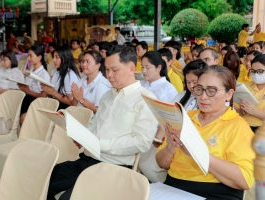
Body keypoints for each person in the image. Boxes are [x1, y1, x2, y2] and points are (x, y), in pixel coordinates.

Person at [47, 45, 158, 200]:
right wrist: (84, 136)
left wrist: (100, 143)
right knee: (44, 179)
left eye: (115, 70)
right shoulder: (108, 96)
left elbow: (141, 142)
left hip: (113, 167)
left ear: (132, 68)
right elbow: (94, 124)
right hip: (87, 159)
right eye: (107, 70)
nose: (109, 75)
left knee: (68, 197)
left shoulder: (146, 100)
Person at [156, 65, 255, 199]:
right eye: (199, 89)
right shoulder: (184, 118)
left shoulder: (238, 127)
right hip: (172, 187)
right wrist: (170, 148)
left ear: (229, 94)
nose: (203, 96)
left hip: (215, 192)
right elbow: (162, 163)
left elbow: (244, 180)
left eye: (211, 91)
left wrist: (198, 153)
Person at [138, 51, 177, 183]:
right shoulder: (141, 84)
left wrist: (158, 136)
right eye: (142, 67)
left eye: (147, 67)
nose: (143, 71)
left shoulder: (168, 89)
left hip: (156, 138)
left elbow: (168, 119)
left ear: (159, 68)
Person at [0, 49, 24, 122]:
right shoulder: (0, 70)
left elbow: (14, 92)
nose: (2, 62)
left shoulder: (17, 73)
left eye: (4, 60)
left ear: (11, 59)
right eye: (1, 60)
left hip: (6, 97)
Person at [18, 45, 50, 125]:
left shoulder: (44, 74)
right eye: (28, 56)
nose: (29, 59)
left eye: (31, 56)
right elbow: (28, 87)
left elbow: (44, 96)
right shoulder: (31, 71)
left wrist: (27, 90)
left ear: (39, 57)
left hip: (36, 102)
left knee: (23, 119)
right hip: (27, 99)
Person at [41, 45, 80, 110]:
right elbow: (52, 95)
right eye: (53, 57)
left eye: (57, 57)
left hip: (65, 108)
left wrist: (53, 92)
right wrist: (47, 88)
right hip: (55, 104)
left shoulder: (70, 75)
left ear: (66, 58)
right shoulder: (55, 71)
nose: (53, 60)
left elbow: (70, 101)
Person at [235, 54, 265, 132]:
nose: (256, 74)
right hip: (242, 125)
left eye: (260, 71)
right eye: (253, 71)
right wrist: (241, 111)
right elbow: (234, 107)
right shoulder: (245, 86)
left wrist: (255, 112)